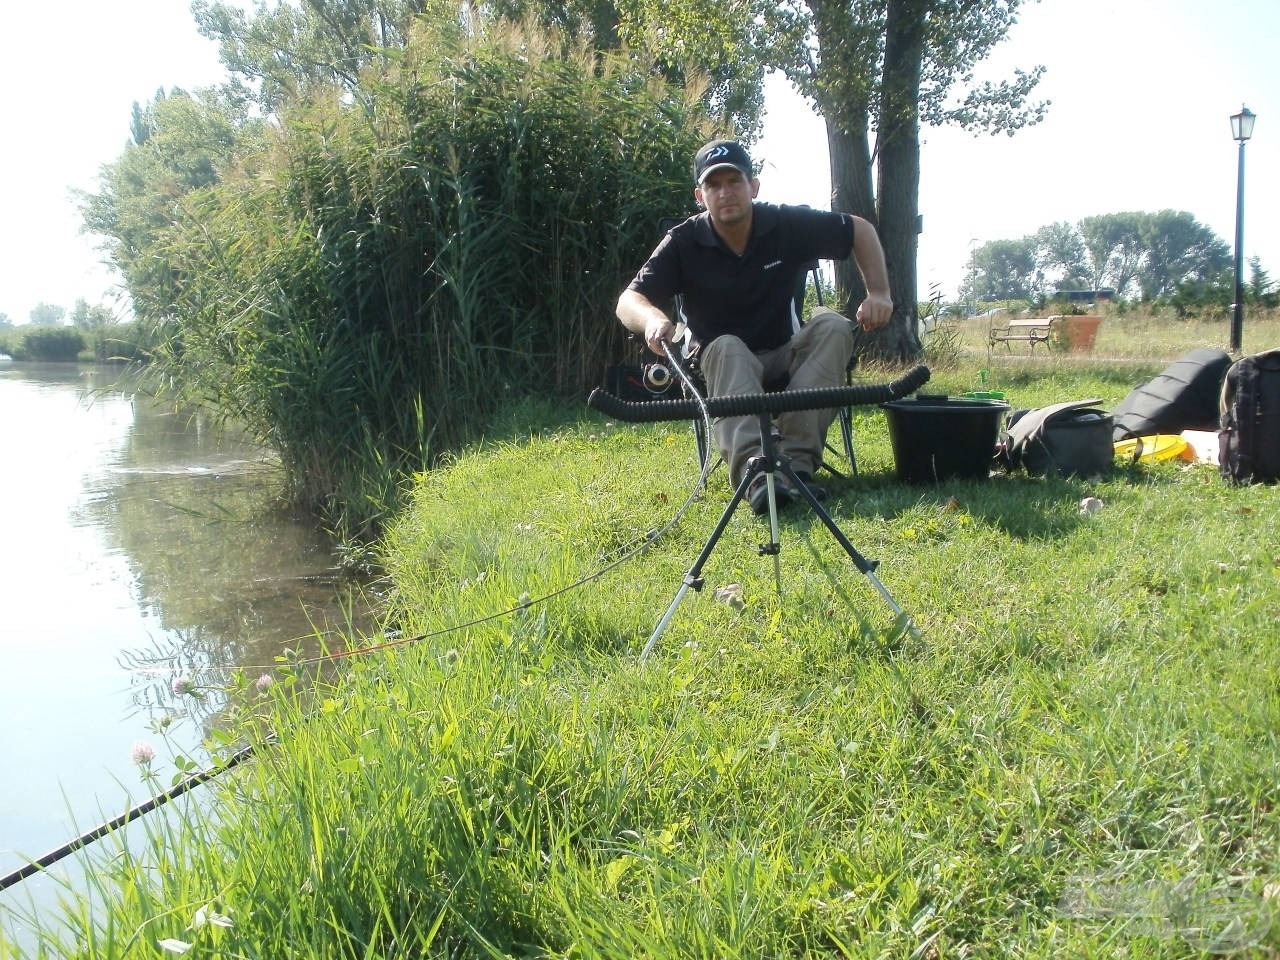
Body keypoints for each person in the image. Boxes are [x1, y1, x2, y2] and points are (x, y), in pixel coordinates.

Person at [616, 139, 894, 514]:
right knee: (728, 344)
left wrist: (879, 293)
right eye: (714, 185)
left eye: (734, 181)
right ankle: (758, 473)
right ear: (701, 195)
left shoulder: (784, 222)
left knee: (831, 325)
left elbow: (858, 230)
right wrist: (652, 318)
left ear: (754, 187)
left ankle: (795, 468)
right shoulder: (682, 241)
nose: (725, 192)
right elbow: (627, 300)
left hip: (784, 351)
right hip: (719, 363)